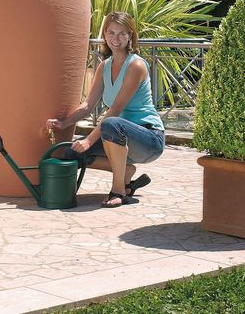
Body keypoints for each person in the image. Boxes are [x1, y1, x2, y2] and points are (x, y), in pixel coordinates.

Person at [46, 11, 165, 208]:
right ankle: (126, 171)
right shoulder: (104, 67)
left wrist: (88, 140)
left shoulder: (136, 65)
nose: (115, 39)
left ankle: (119, 191)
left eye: (122, 33)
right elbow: (88, 105)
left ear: (130, 36)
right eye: (111, 33)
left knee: (110, 124)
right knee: (70, 152)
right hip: (117, 135)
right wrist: (64, 123)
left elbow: (116, 110)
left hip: (149, 138)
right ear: (105, 35)